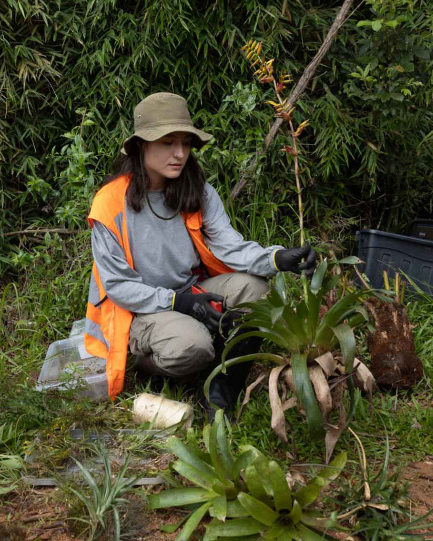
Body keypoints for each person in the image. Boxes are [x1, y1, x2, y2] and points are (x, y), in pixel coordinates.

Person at [82, 92, 316, 418]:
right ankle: (150, 366)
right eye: (167, 142)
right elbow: (119, 288)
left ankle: (222, 389)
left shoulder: (197, 191)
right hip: (138, 310)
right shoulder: (109, 205)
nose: (179, 154)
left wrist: (277, 258)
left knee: (257, 291)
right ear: (141, 146)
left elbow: (230, 246)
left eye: (186, 143)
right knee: (193, 347)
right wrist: (179, 303)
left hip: (191, 292)